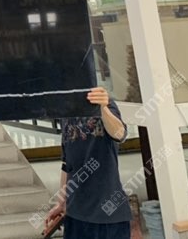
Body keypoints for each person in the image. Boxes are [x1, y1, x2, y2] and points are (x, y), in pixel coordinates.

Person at [45, 86, 131, 238]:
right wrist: (61, 203)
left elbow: (120, 134)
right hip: (75, 215)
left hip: (109, 213)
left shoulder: (105, 103)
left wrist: (103, 108)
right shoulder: (66, 115)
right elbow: (67, 164)